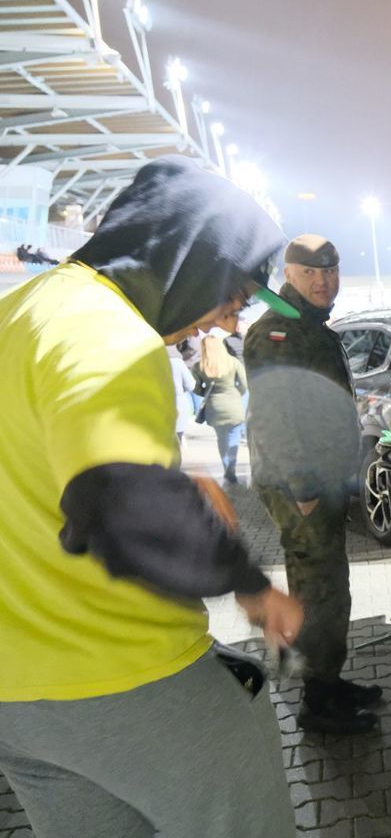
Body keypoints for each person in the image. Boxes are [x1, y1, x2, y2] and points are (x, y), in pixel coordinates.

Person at [0, 156, 305, 837]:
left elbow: (47, 472)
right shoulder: (109, 334)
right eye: (232, 299)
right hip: (128, 678)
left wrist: (173, 487)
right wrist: (251, 584)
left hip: (16, 701)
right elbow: (124, 504)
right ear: (192, 262)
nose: (221, 323)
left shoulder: (20, 312)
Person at [245, 233, 379, 735]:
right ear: (291, 274)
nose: (323, 281)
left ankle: (329, 682)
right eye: (312, 273)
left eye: (331, 271)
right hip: (301, 488)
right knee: (317, 587)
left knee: (329, 585)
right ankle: (317, 704)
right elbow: (274, 417)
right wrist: (302, 486)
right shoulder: (277, 331)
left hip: (321, 481)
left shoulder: (311, 326)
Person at [195, 334, 248, 484]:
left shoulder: (199, 366)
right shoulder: (234, 362)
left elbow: (195, 387)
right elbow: (244, 384)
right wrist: (237, 394)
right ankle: (232, 468)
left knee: (222, 439)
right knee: (234, 438)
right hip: (234, 405)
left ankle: (226, 468)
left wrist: (205, 392)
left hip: (214, 408)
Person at [168, 344, 197, 445]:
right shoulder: (177, 362)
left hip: (157, 405)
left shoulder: (152, 362)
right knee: (177, 439)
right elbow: (191, 385)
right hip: (178, 402)